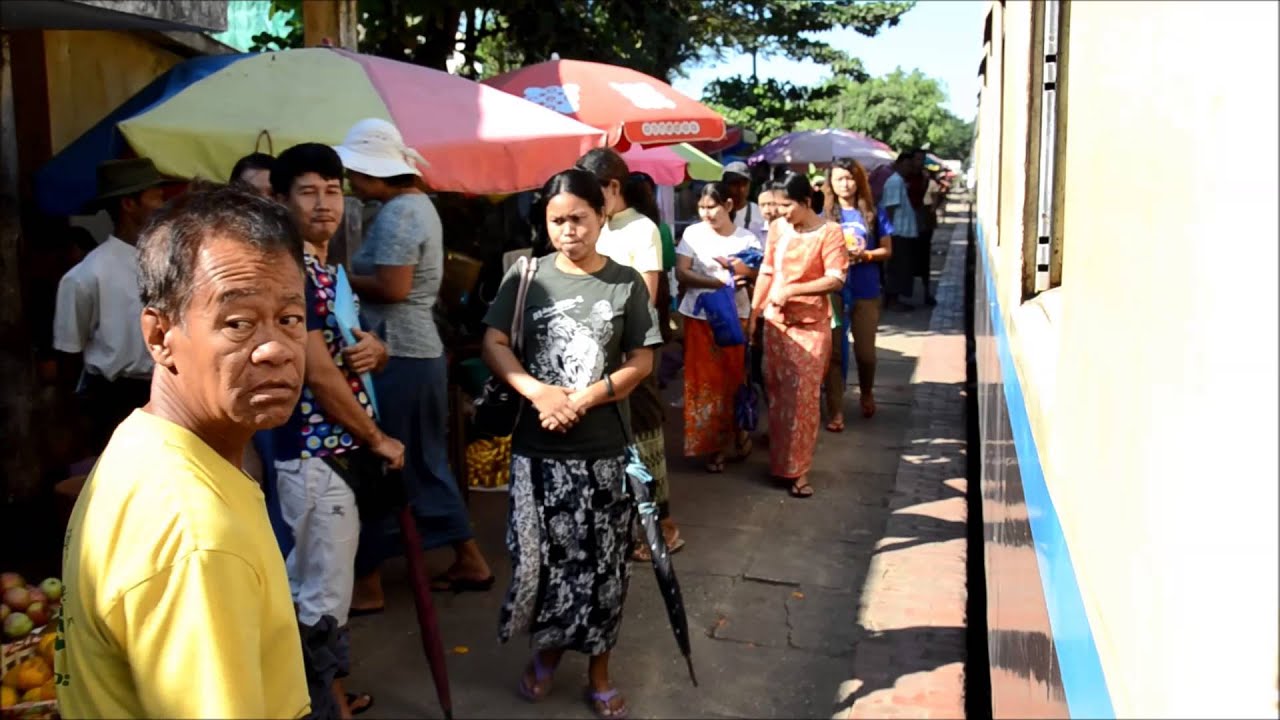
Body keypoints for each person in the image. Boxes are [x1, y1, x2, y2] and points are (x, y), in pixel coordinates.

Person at [57, 184, 311, 718]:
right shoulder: (197, 535)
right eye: (238, 323)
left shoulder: (143, 442)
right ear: (158, 335)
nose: (275, 350)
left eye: (290, 319)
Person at [482, 168, 661, 720]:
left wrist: (584, 399)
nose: (568, 231)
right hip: (537, 455)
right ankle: (546, 651)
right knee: (541, 562)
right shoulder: (525, 275)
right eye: (556, 220)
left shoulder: (626, 282)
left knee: (604, 566)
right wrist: (537, 392)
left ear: (601, 216)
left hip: (604, 451)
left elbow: (642, 360)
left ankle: (599, 669)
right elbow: (494, 340)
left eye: (578, 219)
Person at [334, 118, 494, 605]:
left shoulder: (401, 214)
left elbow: (394, 287)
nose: (348, 183)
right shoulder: (415, 205)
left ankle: (371, 579)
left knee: (389, 459)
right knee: (422, 458)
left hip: (400, 350)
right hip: (414, 349)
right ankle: (467, 556)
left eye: (352, 173)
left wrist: (335, 278)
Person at [270, 143, 404, 718]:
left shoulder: (327, 270)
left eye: (333, 189)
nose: (325, 203)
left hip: (331, 454)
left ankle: (330, 697)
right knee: (318, 599)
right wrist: (377, 439)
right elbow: (318, 372)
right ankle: (325, 708)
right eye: (308, 190)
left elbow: (349, 352)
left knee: (321, 590)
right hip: (312, 454)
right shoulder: (287, 270)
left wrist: (379, 349)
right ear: (280, 201)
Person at [575, 148, 683, 559]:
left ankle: (665, 527)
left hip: (633, 351)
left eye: (592, 193)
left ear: (613, 187)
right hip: (593, 350)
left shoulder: (642, 229)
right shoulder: (593, 227)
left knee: (644, 437)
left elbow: (647, 294)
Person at [53, 158, 172, 452]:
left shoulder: (171, 262)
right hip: (114, 400)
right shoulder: (86, 275)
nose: (162, 205)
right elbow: (68, 353)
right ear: (129, 204)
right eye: (154, 197)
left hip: (168, 389)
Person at [748, 174, 847, 498]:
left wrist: (793, 289)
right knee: (777, 397)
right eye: (777, 206)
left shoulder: (830, 233)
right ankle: (780, 464)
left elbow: (835, 279)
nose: (781, 212)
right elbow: (766, 270)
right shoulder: (778, 229)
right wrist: (754, 313)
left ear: (806, 202)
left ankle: (799, 471)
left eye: (787, 205)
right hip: (776, 325)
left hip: (810, 328)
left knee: (803, 400)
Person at [675, 182, 760, 472]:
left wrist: (741, 278)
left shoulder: (748, 239)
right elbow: (682, 271)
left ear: (728, 205)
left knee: (733, 380)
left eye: (712, 207)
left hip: (736, 317)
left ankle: (737, 432)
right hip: (699, 318)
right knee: (702, 384)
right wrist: (717, 283)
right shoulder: (692, 234)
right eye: (702, 207)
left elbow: (755, 276)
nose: (706, 213)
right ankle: (714, 448)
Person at [823, 158, 895, 430]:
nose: (845, 184)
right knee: (834, 354)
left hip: (866, 291)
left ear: (860, 180)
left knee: (865, 354)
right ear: (830, 182)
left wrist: (864, 255)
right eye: (839, 178)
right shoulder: (824, 216)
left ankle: (866, 391)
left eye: (850, 178)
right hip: (834, 291)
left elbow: (887, 250)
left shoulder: (874, 213)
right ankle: (836, 411)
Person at [880, 149, 923, 311]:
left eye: (910, 165)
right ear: (898, 164)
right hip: (897, 233)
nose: (909, 168)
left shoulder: (900, 181)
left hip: (902, 232)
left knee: (902, 267)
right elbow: (890, 208)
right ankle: (892, 300)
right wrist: (888, 232)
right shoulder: (895, 181)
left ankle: (895, 298)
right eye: (906, 165)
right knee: (897, 268)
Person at [722, 161, 766, 242]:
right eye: (735, 184)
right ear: (725, 185)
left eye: (744, 184)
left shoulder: (760, 212)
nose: (741, 189)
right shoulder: (718, 212)